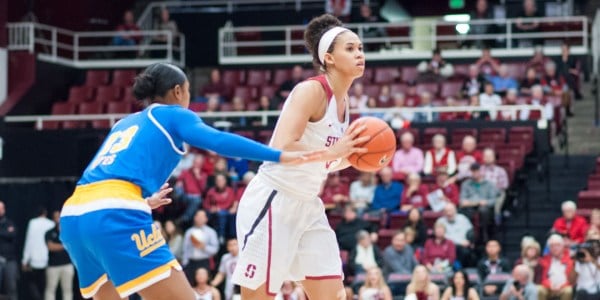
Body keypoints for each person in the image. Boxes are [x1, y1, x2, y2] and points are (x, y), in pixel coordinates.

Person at [58, 62, 323, 300]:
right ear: (177, 92)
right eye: (187, 91)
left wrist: (143, 200)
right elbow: (217, 140)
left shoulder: (123, 123)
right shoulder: (172, 113)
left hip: (74, 214)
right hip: (113, 211)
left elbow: (107, 173)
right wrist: (278, 155)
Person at [232, 14, 370, 299]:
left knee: (333, 295)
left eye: (360, 48)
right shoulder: (311, 90)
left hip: (307, 205)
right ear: (329, 58)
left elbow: (328, 160)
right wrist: (333, 152)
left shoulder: (344, 103)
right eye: (350, 48)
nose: (359, 54)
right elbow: (283, 146)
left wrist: (354, 157)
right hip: (274, 200)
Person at [22, 206, 55, 300]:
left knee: (36, 284)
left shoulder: (33, 223)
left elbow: (28, 241)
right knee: (44, 285)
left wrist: (25, 260)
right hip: (46, 259)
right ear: (45, 213)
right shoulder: (51, 223)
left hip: (37, 259)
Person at [459, 163, 497, 241]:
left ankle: (484, 235)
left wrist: (485, 202)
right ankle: (468, 235)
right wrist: (478, 202)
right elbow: (462, 201)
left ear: (481, 171)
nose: (475, 173)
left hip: (485, 208)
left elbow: (493, 200)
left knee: (483, 210)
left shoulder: (489, 184)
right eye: (473, 171)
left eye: (477, 171)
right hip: (470, 208)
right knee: (464, 211)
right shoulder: (466, 184)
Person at [44, 211, 74, 300]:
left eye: (59, 217)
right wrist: (64, 245)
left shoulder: (68, 232)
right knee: (51, 289)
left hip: (67, 264)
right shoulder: (49, 232)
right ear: (53, 219)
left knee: (67, 289)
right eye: (56, 217)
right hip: (53, 265)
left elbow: (71, 244)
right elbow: (50, 247)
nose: (58, 219)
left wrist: (62, 245)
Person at [182, 210, 219, 281]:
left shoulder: (211, 232)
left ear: (206, 219)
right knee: (191, 284)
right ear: (195, 218)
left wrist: (203, 247)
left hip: (204, 261)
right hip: (191, 262)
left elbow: (215, 249)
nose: (200, 218)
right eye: (198, 216)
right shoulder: (189, 232)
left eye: (202, 216)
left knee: (204, 282)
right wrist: (185, 264)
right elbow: (185, 249)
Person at [436, 203, 474, 267]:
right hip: (447, 245)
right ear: (444, 213)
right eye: (446, 211)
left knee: (467, 252)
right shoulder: (440, 221)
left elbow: (470, 231)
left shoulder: (463, 219)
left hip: (464, 244)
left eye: (450, 210)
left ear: (455, 211)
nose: (449, 213)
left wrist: (469, 241)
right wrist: (459, 242)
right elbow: (442, 236)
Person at [538, 234, 574, 300]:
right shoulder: (545, 259)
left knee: (568, 291)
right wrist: (550, 286)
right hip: (549, 287)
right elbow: (543, 278)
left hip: (565, 287)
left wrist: (561, 286)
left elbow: (572, 280)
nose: (555, 248)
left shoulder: (570, 259)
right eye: (552, 246)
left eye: (557, 245)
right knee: (539, 289)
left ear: (563, 246)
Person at [203, 173, 236, 239]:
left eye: (221, 180)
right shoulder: (211, 191)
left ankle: (226, 236)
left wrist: (219, 208)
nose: (219, 182)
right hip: (214, 212)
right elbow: (206, 204)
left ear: (225, 181)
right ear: (215, 182)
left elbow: (230, 202)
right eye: (218, 180)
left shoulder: (230, 190)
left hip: (227, 211)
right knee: (217, 214)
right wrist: (211, 208)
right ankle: (218, 236)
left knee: (224, 214)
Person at [481, 148, 509, 223]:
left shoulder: (500, 170)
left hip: (496, 193)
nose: (487, 158)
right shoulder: (480, 170)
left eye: (489, 156)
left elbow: (504, 185)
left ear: (494, 158)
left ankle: (497, 216)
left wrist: (492, 189)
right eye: (485, 156)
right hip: (482, 193)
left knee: (501, 194)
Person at [0, 201, 17, 300]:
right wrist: (5, 233)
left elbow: (11, 234)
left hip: (9, 260)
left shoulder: (9, 223)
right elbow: (7, 234)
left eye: (1, 208)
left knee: (12, 287)